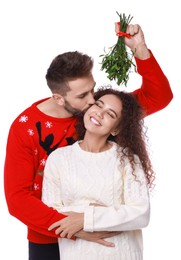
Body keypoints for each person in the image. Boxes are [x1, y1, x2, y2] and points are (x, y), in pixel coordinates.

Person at [4, 22, 173, 260]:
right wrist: (77, 227)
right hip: (49, 236)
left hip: (105, 232)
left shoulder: (97, 114)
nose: (93, 100)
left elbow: (159, 96)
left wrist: (140, 50)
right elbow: (18, 199)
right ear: (58, 98)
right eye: (83, 95)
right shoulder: (25, 127)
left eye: (92, 90)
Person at [42, 86, 154, 259]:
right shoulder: (59, 159)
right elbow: (51, 215)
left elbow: (140, 214)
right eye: (99, 105)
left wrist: (83, 218)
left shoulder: (127, 160)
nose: (100, 114)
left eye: (111, 114)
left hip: (122, 252)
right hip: (76, 253)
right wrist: (103, 213)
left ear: (116, 129)